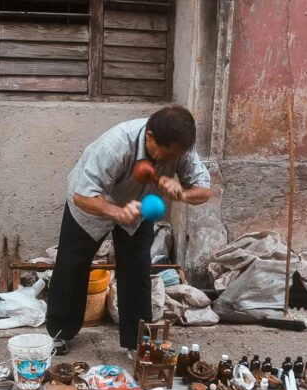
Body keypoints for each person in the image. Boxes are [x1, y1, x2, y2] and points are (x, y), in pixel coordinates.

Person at [45, 107, 212, 356]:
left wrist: (182, 193)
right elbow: (82, 196)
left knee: (137, 271)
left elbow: (204, 190)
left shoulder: (180, 148)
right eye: (165, 155)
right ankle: (60, 332)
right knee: (72, 265)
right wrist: (116, 212)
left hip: (140, 205)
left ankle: (137, 341)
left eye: (174, 157)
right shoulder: (115, 145)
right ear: (150, 137)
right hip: (92, 202)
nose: (168, 161)